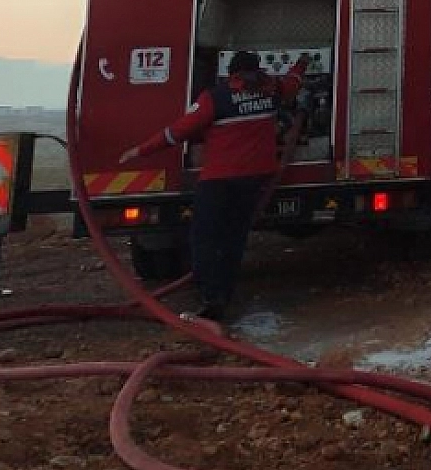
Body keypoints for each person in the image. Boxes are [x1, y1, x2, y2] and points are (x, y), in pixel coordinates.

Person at [119, 49, 309, 321]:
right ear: (259, 70)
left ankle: (212, 297)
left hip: (218, 182)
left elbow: (177, 132)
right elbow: (293, 82)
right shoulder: (272, 92)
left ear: (230, 73)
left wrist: (140, 151)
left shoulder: (215, 99)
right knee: (234, 240)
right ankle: (223, 295)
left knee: (204, 240)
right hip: (254, 182)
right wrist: (302, 63)